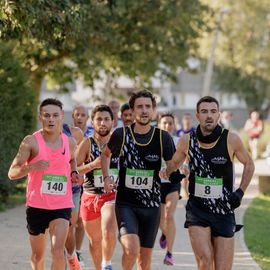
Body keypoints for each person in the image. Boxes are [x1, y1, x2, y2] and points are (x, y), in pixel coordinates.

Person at [165, 96, 255, 270]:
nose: (209, 116)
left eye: (213, 112)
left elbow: (249, 164)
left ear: (219, 115)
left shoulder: (231, 139)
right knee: (205, 261)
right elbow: (172, 166)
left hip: (224, 209)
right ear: (197, 116)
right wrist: (174, 173)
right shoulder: (187, 140)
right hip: (198, 210)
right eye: (204, 112)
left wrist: (240, 192)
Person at [101, 90, 182, 270]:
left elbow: (171, 165)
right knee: (131, 249)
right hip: (126, 204)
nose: (144, 111)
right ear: (132, 110)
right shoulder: (121, 135)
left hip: (152, 207)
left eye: (148, 107)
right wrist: (106, 177)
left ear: (153, 110)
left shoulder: (163, 138)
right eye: (140, 107)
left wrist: (173, 172)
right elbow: (105, 155)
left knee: (145, 261)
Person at [8, 98, 82, 270]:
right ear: (40, 117)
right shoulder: (31, 142)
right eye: (46, 115)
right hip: (37, 206)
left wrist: (73, 172)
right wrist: (32, 166)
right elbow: (12, 173)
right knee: (37, 256)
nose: (51, 119)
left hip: (62, 204)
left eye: (55, 115)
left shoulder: (69, 142)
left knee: (57, 251)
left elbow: (72, 161)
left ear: (62, 117)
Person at [76, 105, 117, 270]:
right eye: (99, 119)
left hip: (111, 196)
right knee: (95, 241)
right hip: (89, 197)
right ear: (92, 122)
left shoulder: (118, 142)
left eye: (106, 119)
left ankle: (107, 263)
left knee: (108, 230)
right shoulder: (87, 143)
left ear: (113, 122)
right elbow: (73, 169)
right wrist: (92, 165)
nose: (103, 123)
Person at [157, 112, 181, 266]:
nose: (167, 126)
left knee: (169, 217)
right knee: (159, 220)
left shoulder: (179, 141)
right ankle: (165, 233)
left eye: (170, 123)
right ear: (159, 125)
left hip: (172, 184)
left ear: (174, 125)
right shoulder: (153, 140)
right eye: (164, 123)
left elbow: (185, 161)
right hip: (157, 184)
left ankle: (169, 254)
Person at [72, 104, 93, 265]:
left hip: (89, 184)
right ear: (73, 117)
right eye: (77, 115)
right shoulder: (67, 134)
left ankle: (77, 252)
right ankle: (69, 251)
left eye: (82, 115)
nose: (79, 118)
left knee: (80, 221)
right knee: (70, 220)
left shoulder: (93, 136)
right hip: (72, 184)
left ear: (88, 117)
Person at [62, 123, 83, 269]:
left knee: (70, 228)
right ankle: (60, 261)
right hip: (55, 190)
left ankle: (71, 255)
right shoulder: (41, 135)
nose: (51, 119)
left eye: (55, 115)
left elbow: (78, 158)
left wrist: (77, 172)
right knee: (56, 230)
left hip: (73, 189)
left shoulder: (75, 133)